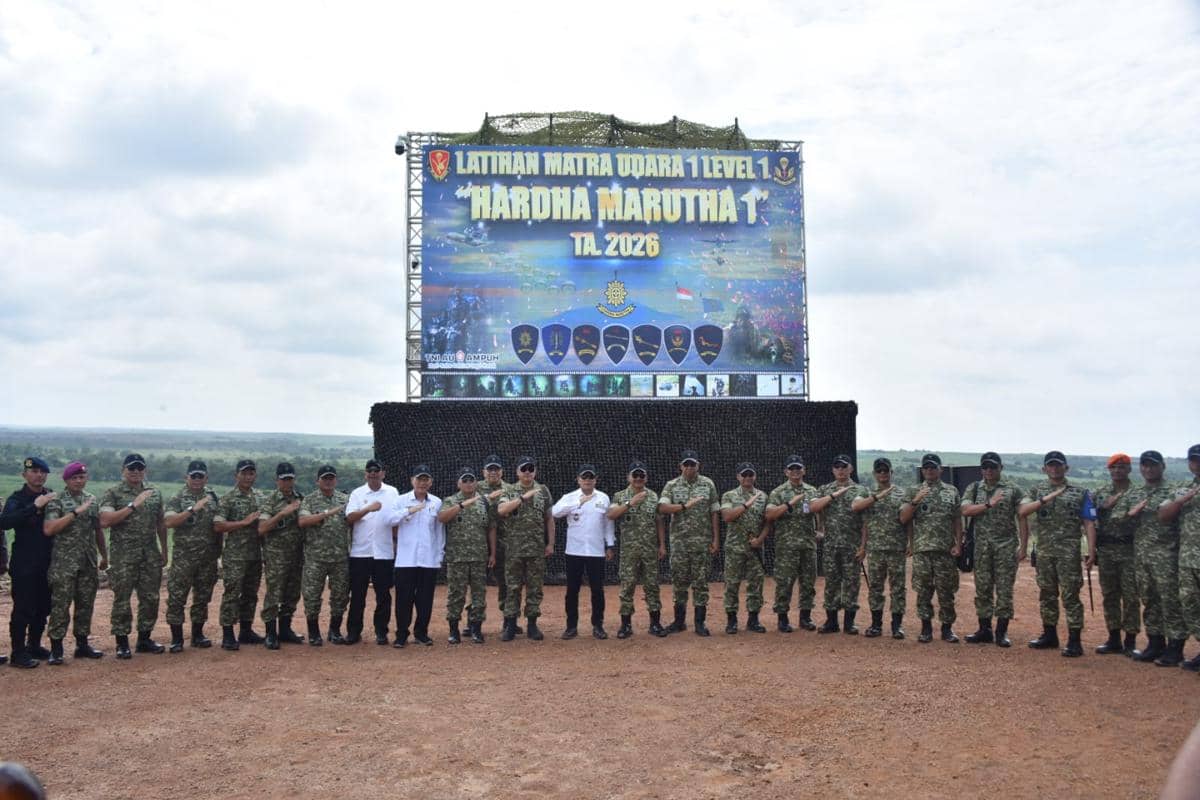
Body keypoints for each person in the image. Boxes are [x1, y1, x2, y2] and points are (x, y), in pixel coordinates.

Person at [1018, 450, 1097, 658]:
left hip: (1069, 554)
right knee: (1047, 594)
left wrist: (1091, 549)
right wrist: (1045, 499)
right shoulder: (1037, 490)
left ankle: (1074, 640)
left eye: (1058, 465)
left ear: (1066, 468)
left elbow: (1088, 522)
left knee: (1071, 595)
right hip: (1044, 552)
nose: (1054, 468)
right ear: (1044, 469)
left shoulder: (1080, 492)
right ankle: (1049, 635)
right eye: (1050, 465)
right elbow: (1023, 511)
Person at [99, 453, 167, 660]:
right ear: (123, 471)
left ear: (145, 470)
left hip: (149, 554)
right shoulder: (113, 493)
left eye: (140, 468)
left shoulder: (154, 493)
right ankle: (122, 643)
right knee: (122, 598)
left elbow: (160, 523)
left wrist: (164, 550)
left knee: (150, 597)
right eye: (131, 468)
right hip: (124, 555)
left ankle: (144, 639)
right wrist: (133, 505)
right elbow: (105, 520)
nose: (136, 472)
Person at [1120, 450, 1184, 664]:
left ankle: (1175, 648)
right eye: (1145, 465)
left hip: (1167, 556)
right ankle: (1155, 643)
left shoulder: (1174, 491)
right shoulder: (1135, 493)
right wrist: (1130, 514)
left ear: (1163, 466)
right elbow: (1116, 520)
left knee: (1170, 601)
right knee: (1149, 600)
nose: (1148, 469)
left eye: (1153, 465)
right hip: (1142, 556)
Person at [959, 452, 1028, 647]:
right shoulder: (974, 488)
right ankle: (984, 629)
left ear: (1001, 468)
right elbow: (965, 510)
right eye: (985, 467)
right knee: (983, 589)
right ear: (981, 469)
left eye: (993, 467)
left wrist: (1023, 546)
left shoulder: (1013, 489)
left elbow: (1022, 517)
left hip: (1005, 547)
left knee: (1004, 589)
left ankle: (1001, 632)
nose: (989, 471)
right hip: (981, 548)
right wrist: (989, 504)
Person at [42, 461, 107, 663]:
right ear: (66, 480)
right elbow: (50, 529)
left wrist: (104, 555)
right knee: (61, 605)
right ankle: (57, 648)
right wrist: (75, 512)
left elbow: (97, 530)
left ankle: (82, 644)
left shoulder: (92, 500)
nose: (79, 481)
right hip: (64, 562)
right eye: (74, 478)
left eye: (82, 477)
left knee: (86, 604)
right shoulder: (57, 501)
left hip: (87, 561)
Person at [900, 454, 963, 644]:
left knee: (946, 591)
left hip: (945, 550)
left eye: (933, 468)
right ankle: (925, 629)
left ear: (940, 470)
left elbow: (957, 520)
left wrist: (958, 543)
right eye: (926, 468)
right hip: (922, 550)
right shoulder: (913, 491)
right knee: (923, 591)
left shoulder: (951, 491)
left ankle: (947, 629)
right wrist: (915, 501)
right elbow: (904, 519)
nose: (929, 471)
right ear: (922, 470)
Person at [0, 457, 56, 669]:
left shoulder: (51, 496)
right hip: (24, 563)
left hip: (47, 562)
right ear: (25, 475)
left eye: (42, 472)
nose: (39, 475)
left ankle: (34, 645)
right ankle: (18, 652)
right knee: (23, 608)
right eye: (34, 472)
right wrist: (34, 507)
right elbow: (5, 522)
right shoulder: (17, 499)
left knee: (43, 606)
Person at [658, 450, 720, 636]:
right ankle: (679, 621)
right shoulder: (672, 485)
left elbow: (714, 511)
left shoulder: (708, 484)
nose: (689, 467)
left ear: (698, 466)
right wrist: (684, 506)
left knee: (701, 582)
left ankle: (700, 623)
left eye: (693, 464)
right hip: (680, 544)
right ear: (681, 466)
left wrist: (716, 539)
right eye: (686, 464)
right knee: (679, 582)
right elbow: (662, 507)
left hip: (702, 543)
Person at [162, 460, 222, 653]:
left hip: (208, 558)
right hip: (184, 558)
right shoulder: (178, 497)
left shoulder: (213, 497)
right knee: (177, 597)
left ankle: (197, 634)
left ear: (206, 478)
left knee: (203, 597)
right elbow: (169, 521)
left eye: (200, 476)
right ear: (186, 477)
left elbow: (218, 526)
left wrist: (219, 550)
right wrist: (192, 509)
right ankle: (177, 639)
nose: (197, 480)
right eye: (193, 476)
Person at [553, 464, 615, 640]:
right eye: (584, 477)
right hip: (574, 551)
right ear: (578, 479)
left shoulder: (603, 498)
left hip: (596, 552)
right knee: (572, 590)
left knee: (597, 590)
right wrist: (577, 502)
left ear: (595, 479)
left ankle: (598, 625)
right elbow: (555, 512)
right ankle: (571, 626)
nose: (587, 480)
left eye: (590, 477)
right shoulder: (569, 497)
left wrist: (609, 545)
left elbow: (608, 523)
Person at [607, 460, 668, 638]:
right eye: (635, 475)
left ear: (646, 478)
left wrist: (662, 544)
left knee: (652, 586)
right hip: (629, 551)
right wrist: (630, 503)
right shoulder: (620, 496)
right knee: (627, 586)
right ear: (629, 477)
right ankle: (626, 625)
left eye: (642, 475)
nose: (639, 478)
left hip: (650, 550)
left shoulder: (653, 496)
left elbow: (659, 521)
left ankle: (655, 624)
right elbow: (611, 515)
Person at [497, 455, 554, 641]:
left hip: (536, 549)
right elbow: (501, 510)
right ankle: (511, 625)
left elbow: (549, 519)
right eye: (524, 469)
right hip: (514, 549)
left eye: (531, 468)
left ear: (535, 471)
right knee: (512, 587)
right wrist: (522, 498)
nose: (528, 472)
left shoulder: (543, 490)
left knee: (535, 588)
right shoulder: (509, 490)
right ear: (517, 472)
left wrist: (550, 543)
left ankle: (532, 625)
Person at [437, 466, 495, 644]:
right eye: (465, 480)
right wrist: (461, 505)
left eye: (471, 480)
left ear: (476, 482)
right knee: (456, 594)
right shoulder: (450, 500)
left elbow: (491, 528)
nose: (469, 483)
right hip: (457, 557)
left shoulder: (485, 502)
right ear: (458, 483)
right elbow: (442, 518)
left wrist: (492, 553)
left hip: (479, 556)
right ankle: (454, 630)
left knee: (479, 594)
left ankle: (476, 629)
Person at [344, 459, 400, 645]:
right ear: (365, 474)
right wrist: (368, 508)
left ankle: (381, 632)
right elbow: (350, 518)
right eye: (370, 471)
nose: (373, 474)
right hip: (361, 553)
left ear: (383, 473)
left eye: (377, 471)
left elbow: (396, 519)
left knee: (383, 595)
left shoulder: (392, 492)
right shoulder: (357, 493)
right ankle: (353, 632)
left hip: (384, 552)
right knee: (358, 595)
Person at [852, 457, 908, 639]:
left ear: (892, 472)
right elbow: (863, 520)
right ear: (874, 474)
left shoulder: (902, 494)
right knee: (875, 588)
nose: (883, 474)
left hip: (896, 548)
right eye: (879, 471)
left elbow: (908, 521)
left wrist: (911, 543)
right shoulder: (867, 493)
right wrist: (863, 547)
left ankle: (897, 626)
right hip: (875, 549)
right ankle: (876, 624)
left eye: (886, 471)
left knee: (898, 588)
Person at [212, 459, 265, 650]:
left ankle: (246, 630)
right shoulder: (227, 499)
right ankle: (227, 634)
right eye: (244, 473)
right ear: (236, 475)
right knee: (232, 594)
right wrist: (243, 522)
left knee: (251, 594)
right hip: (235, 555)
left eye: (251, 473)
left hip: (255, 554)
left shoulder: (260, 497)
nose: (247, 477)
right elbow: (218, 525)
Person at [810, 454, 866, 634]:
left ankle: (849, 623)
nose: (841, 470)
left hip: (852, 545)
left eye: (844, 467)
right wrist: (834, 496)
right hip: (831, 545)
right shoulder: (824, 489)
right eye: (837, 467)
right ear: (833, 470)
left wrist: (864, 546)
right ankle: (831, 621)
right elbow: (813, 507)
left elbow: (866, 522)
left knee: (851, 582)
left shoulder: (861, 490)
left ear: (851, 469)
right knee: (832, 582)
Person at [764, 455, 820, 632]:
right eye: (792, 469)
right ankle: (782, 618)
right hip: (786, 546)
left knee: (808, 582)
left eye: (798, 469)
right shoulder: (778, 492)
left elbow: (818, 511)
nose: (795, 472)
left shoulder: (812, 490)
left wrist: (820, 529)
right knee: (785, 582)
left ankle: (805, 617)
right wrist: (789, 504)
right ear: (786, 472)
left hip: (808, 544)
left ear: (804, 470)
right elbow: (770, 515)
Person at [1092, 453, 1140, 655]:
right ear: (1109, 470)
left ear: (1129, 469)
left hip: (1130, 550)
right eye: (1114, 467)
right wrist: (1102, 507)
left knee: (1130, 596)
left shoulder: (1138, 493)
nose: (1118, 470)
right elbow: (1089, 518)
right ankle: (1113, 638)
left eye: (1122, 467)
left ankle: (1130, 641)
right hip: (1106, 551)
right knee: (1109, 594)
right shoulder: (1100, 493)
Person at [391, 464, 444, 647]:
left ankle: (421, 633)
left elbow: (439, 532)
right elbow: (388, 520)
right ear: (412, 480)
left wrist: (439, 555)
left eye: (425, 479)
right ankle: (401, 635)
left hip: (428, 559)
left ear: (430, 482)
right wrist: (408, 511)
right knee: (403, 599)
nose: (422, 483)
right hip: (406, 559)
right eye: (419, 479)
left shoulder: (436, 502)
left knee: (425, 599)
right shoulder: (401, 500)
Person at [298, 465, 351, 645]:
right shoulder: (309, 500)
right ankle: (313, 633)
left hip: (339, 558)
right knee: (312, 596)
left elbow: (353, 521)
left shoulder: (345, 500)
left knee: (340, 596)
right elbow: (303, 521)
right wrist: (327, 513)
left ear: (335, 480)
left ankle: (334, 631)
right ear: (318, 481)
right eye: (325, 478)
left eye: (331, 478)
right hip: (315, 558)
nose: (328, 482)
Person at [1160, 444, 1200, 670]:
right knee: (1190, 604)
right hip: (1188, 559)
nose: (1198, 463)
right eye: (1194, 459)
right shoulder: (1182, 489)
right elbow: (1163, 515)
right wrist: (1183, 500)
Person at [257, 462, 305, 650]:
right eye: (284, 479)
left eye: (290, 479)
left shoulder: (300, 498)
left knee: (292, 593)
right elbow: (261, 528)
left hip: (296, 555)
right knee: (274, 594)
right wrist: (282, 513)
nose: (288, 483)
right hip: (276, 556)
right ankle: (270, 633)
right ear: (277, 480)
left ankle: (285, 629)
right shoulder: (270, 501)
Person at [720, 463, 768, 634]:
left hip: (755, 549)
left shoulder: (763, 496)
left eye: (750, 474)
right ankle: (731, 621)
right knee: (732, 584)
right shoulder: (729, 495)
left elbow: (768, 521)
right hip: (735, 548)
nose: (747, 477)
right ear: (738, 477)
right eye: (744, 474)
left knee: (756, 584)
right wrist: (747, 504)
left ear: (754, 476)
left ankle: (753, 620)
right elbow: (727, 516)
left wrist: (761, 539)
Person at [479, 455, 519, 632]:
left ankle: (509, 620)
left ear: (502, 471)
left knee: (507, 582)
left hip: (505, 543)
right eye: (490, 469)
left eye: (496, 469)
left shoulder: (510, 489)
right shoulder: (475, 487)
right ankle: (474, 621)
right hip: (477, 542)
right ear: (484, 472)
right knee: (477, 583)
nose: (493, 472)